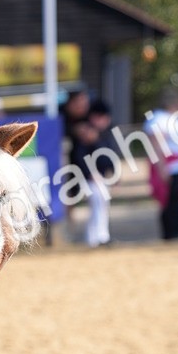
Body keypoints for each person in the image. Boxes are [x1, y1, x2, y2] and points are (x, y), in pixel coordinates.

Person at [144, 87, 178, 240]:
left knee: (177, 200)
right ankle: (170, 234)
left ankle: (175, 233)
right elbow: (156, 145)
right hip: (170, 166)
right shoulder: (159, 119)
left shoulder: (174, 120)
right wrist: (161, 167)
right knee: (169, 200)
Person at [71, 99, 115, 248]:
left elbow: (109, 156)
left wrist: (113, 173)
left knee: (102, 203)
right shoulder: (85, 131)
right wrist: (90, 173)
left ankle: (98, 237)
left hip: (100, 177)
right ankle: (97, 238)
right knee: (98, 201)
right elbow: (79, 156)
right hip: (86, 177)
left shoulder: (104, 133)